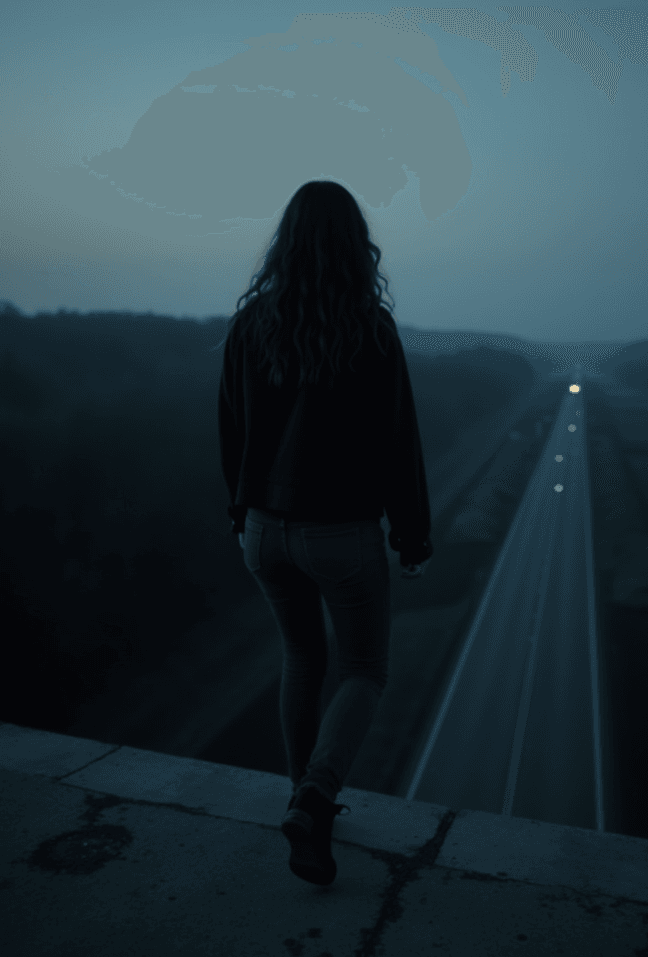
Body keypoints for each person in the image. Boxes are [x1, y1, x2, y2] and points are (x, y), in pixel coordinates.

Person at [216, 180, 433, 885]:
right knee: (364, 669)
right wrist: (412, 534)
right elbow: (399, 441)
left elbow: (231, 430)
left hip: (263, 531)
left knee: (302, 658)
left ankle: (299, 797)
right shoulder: (370, 328)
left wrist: (240, 511)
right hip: (338, 531)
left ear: (287, 241)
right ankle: (315, 794)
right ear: (354, 246)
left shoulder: (251, 324)